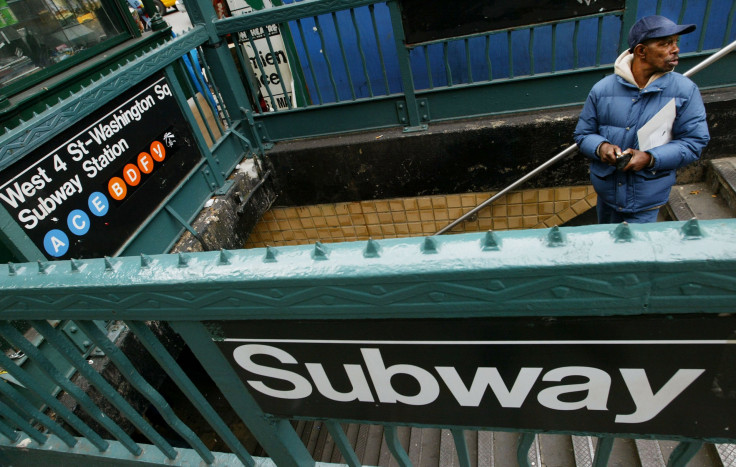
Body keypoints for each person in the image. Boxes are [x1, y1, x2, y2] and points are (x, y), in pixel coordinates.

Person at [574, 15, 710, 223]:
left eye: (675, 42)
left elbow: (694, 143)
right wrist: (601, 148)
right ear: (641, 51)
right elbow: (583, 134)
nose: (675, 49)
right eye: (665, 44)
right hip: (607, 197)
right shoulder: (602, 89)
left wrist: (649, 158)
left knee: (635, 254)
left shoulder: (684, 90)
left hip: (646, 201)